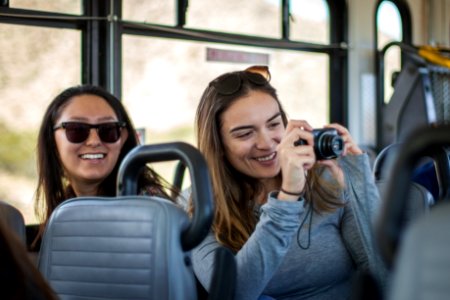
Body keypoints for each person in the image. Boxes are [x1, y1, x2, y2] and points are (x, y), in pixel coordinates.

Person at [192, 66, 386, 299]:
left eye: (274, 124)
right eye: (245, 134)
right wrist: (287, 198)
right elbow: (231, 294)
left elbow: (386, 277)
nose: (267, 143)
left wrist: (359, 185)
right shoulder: (199, 204)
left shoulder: (327, 179)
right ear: (219, 146)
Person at [33, 84, 176, 249]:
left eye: (108, 130)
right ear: (52, 142)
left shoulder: (150, 205)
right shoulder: (63, 210)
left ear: (122, 138)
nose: (94, 141)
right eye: (77, 130)